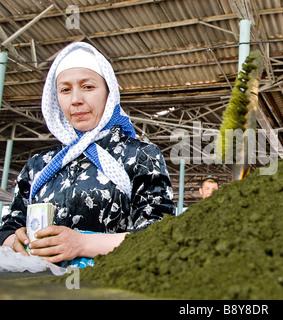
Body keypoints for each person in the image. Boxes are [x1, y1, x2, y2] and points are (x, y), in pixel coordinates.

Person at [0, 42, 175, 267]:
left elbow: (160, 236)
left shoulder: (139, 156)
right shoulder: (39, 164)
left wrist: (81, 244)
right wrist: (12, 238)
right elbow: (10, 225)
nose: (75, 100)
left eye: (88, 87)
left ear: (109, 93)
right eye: (65, 90)